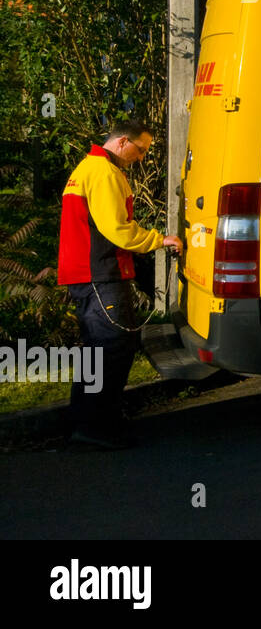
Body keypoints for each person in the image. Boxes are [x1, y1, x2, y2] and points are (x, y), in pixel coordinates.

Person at [56, 119, 182, 449]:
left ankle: (89, 424)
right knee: (111, 349)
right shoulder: (103, 172)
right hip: (100, 273)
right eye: (141, 150)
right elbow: (117, 228)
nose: (141, 158)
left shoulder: (89, 168)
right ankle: (95, 429)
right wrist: (159, 240)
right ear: (123, 142)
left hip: (89, 273)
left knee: (100, 351)